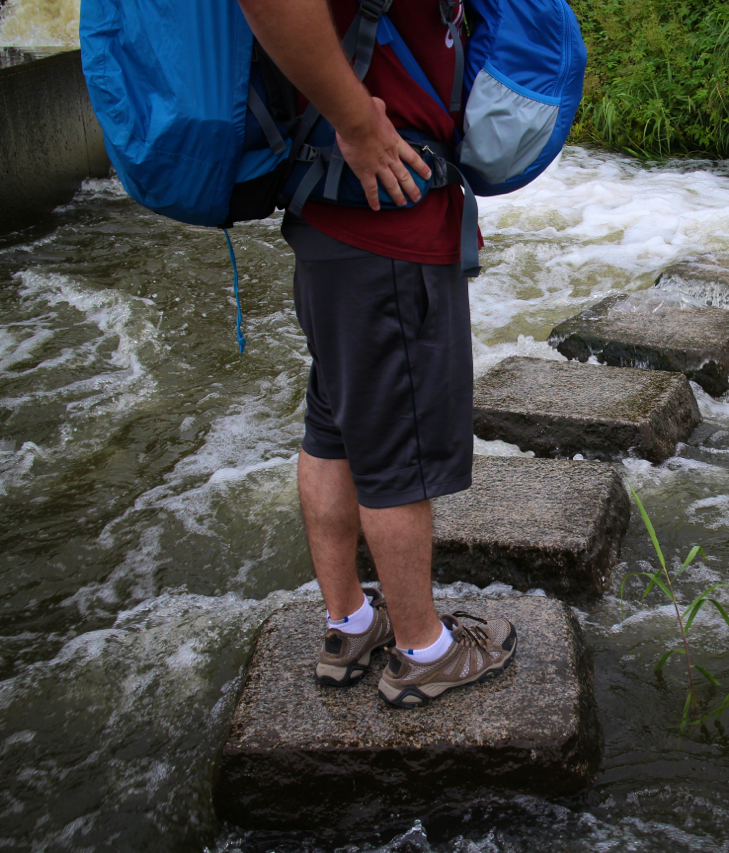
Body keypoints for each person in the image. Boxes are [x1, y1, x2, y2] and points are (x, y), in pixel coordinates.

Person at [236, 0, 515, 708]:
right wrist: (358, 123)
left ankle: (351, 624)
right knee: (400, 450)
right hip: (384, 225)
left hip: (335, 221)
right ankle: (424, 651)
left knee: (335, 425)